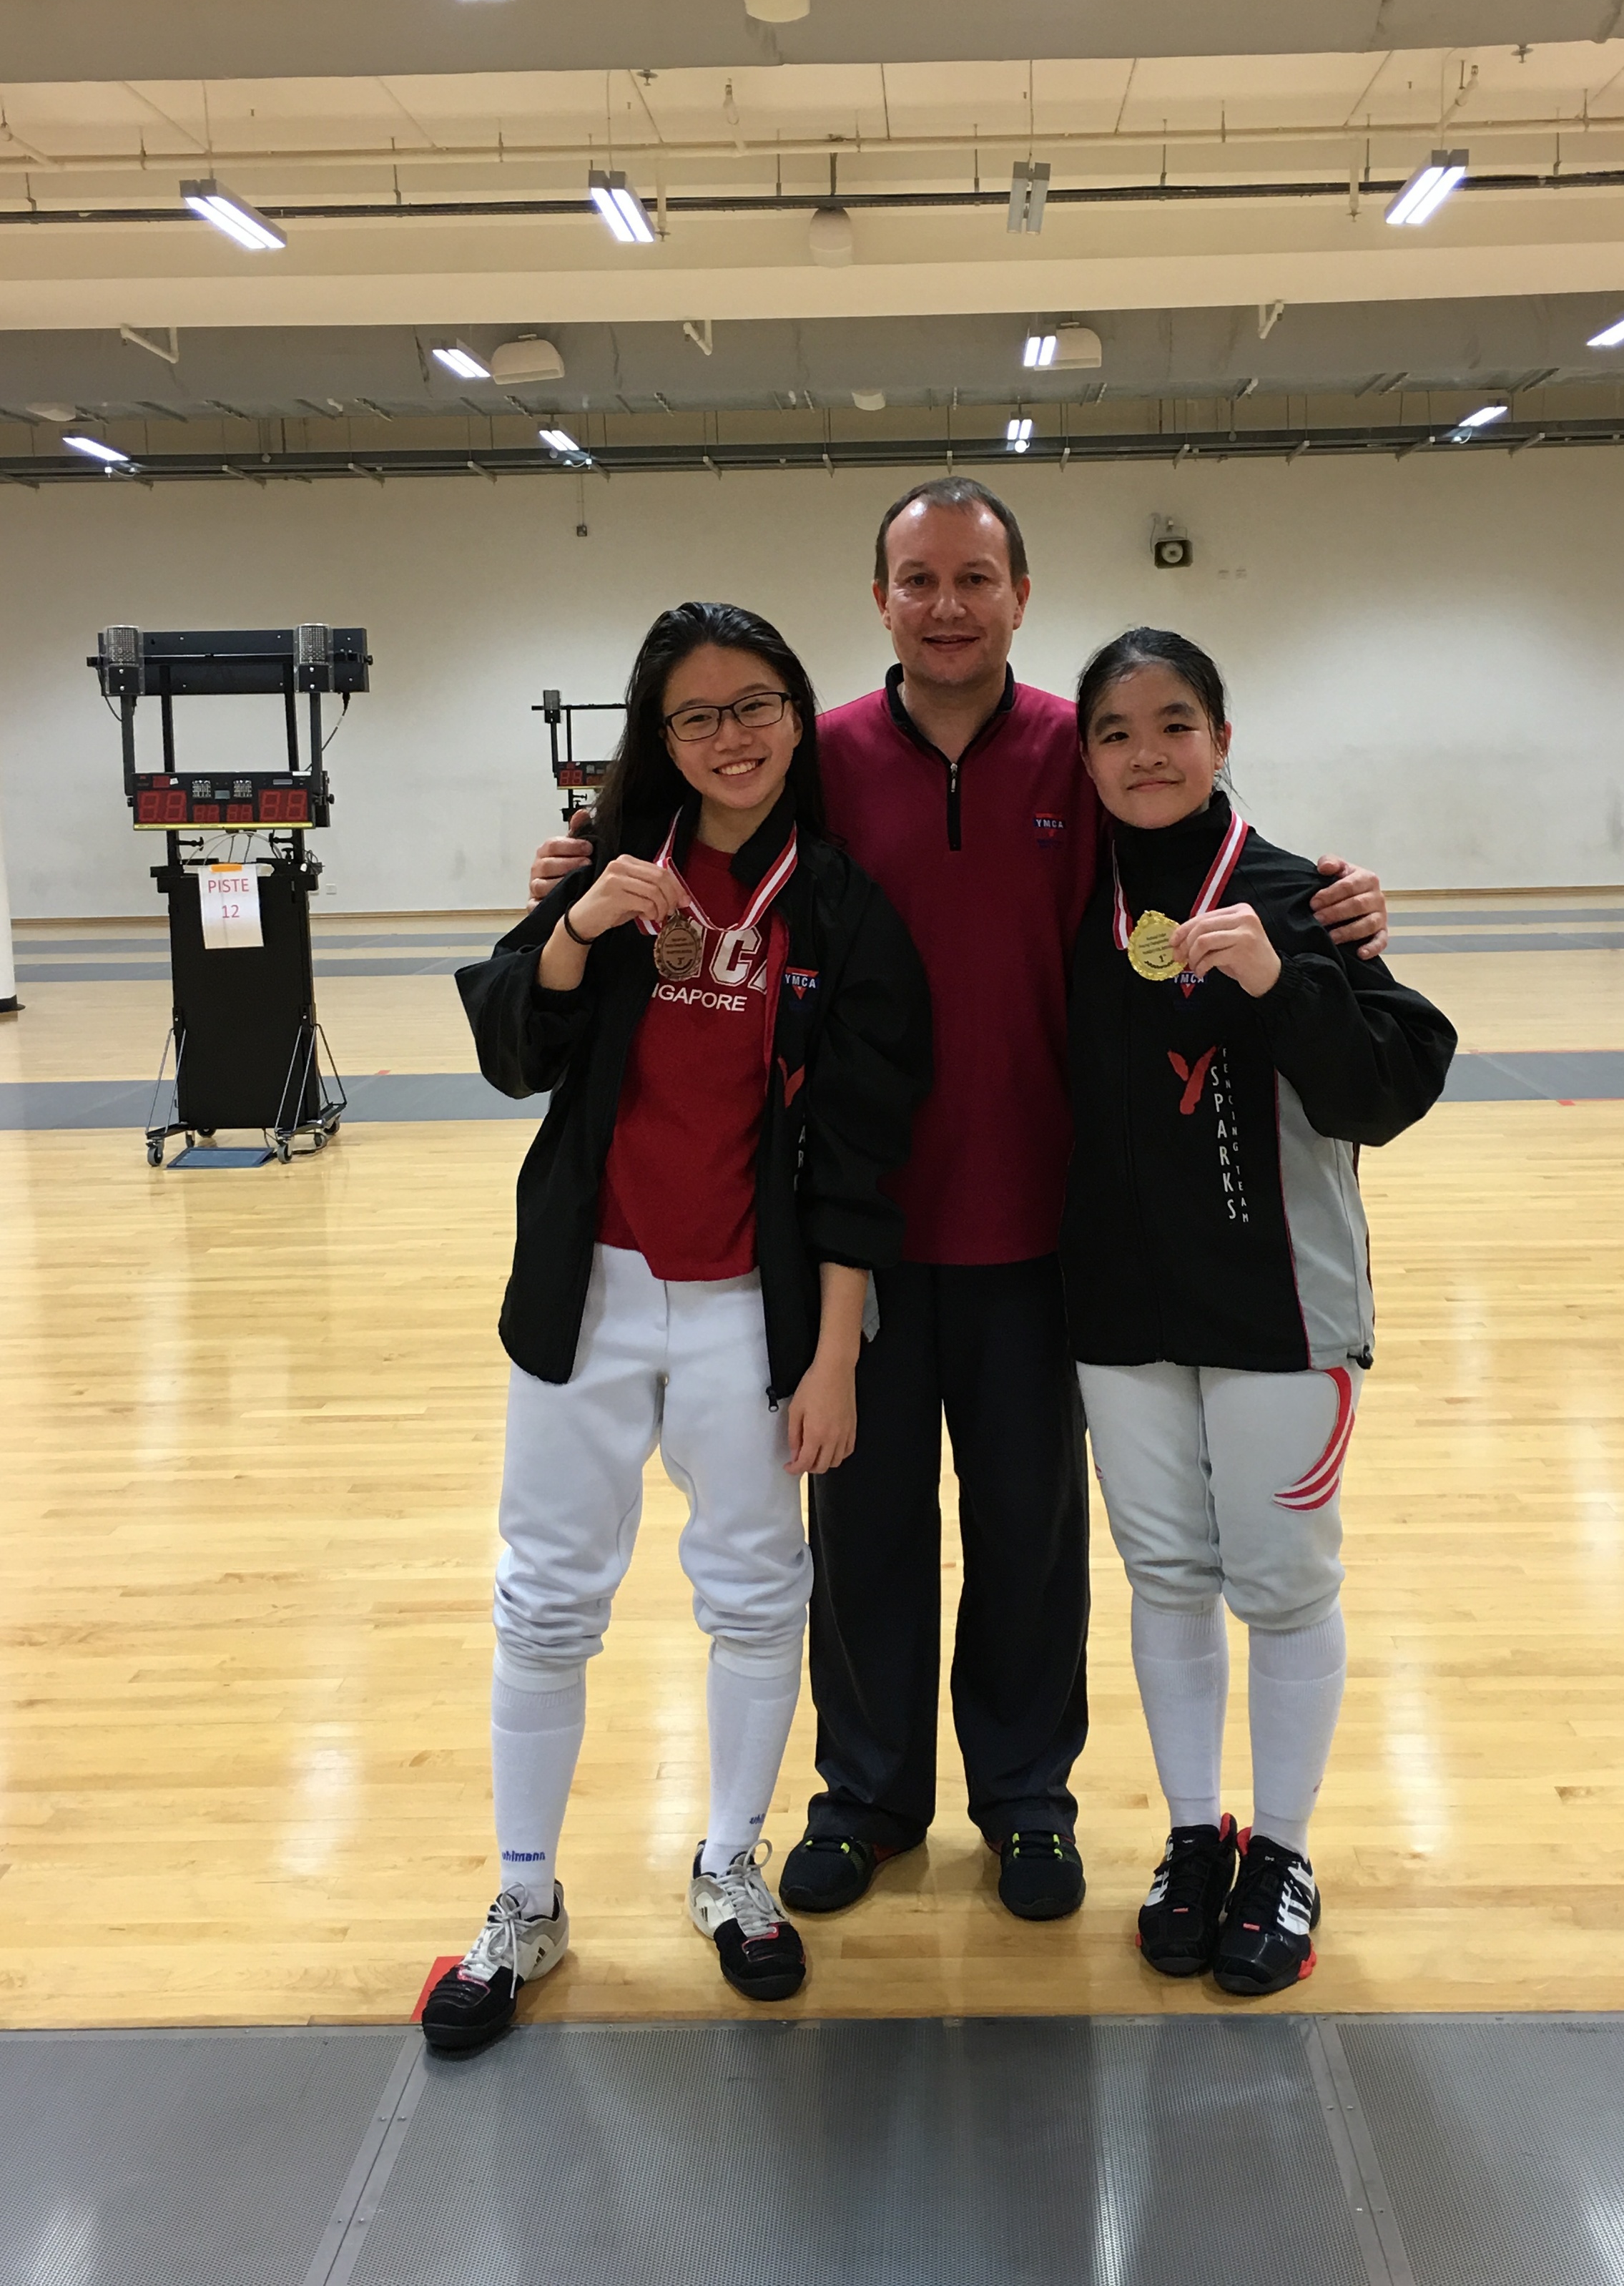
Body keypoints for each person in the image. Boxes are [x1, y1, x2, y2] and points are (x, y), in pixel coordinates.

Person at [529, 482, 1391, 1926]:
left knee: (1027, 1529)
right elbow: (702, 833)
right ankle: (865, 1790)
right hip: (845, 1228)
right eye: (916, 578)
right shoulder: (826, 757)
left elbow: (1198, 842)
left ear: (1020, 591)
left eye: (973, 576)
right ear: (876, 599)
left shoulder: (1080, 742)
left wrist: (1328, 901)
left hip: (1046, 1221)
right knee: (858, 1525)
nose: (945, 602)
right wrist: (570, 870)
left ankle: (1025, 1797)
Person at [430, 601, 930, 2051]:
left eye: (756, 702)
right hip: (586, 1290)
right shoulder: (602, 876)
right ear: (657, 735)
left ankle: (729, 1860)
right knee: (544, 1595)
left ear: (795, 711)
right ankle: (524, 1897)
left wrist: (834, 1349)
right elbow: (511, 1047)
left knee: (756, 1591)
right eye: (697, 714)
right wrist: (578, 926)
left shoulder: (836, 906)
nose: (731, 735)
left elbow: (857, 1153)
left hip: (745, 1309)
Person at [1063, 627, 1455, 1994]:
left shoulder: (1305, 898)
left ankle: (1282, 1848)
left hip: (1285, 1312)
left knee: (1282, 1586)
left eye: (1176, 724)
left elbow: (1391, 1091)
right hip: (1116, 1308)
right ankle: (1192, 1834)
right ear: (1088, 755)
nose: (1148, 752)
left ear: (1223, 739)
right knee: (1166, 1577)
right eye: (1116, 731)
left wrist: (1285, 984)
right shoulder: (1064, 900)